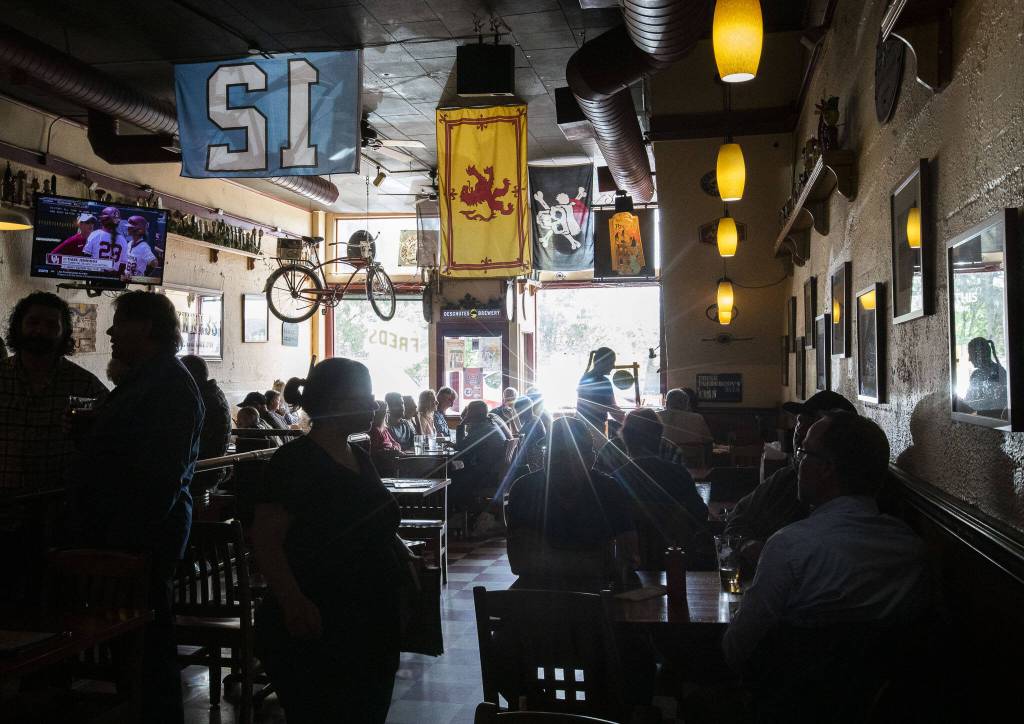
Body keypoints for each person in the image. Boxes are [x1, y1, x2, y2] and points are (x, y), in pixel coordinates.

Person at [70, 290, 203, 724]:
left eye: (119, 321)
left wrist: (126, 538)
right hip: (141, 527)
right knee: (141, 640)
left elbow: (160, 474)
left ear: (146, 327)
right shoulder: (151, 378)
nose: (110, 330)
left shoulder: (165, 384)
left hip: (142, 533)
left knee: (146, 641)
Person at [251, 358, 402, 724]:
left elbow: (373, 521)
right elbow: (266, 540)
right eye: (364, 397)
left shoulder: (359, 455)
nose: (373, 405)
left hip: (367, 619)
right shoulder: (294, 462)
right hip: (320, 618)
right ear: (336, 402)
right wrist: (293, 602)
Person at [721, 411, 931, 673]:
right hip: (881, 706)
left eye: (805, 453)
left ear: (826, 470)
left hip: (786, 703)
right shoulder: (912, 551)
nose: (798, 462)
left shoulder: (789, 548)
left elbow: (735, 648)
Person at [724, 390, 856, 570]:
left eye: (811, 424)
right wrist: (746, 544)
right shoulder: (786, 477)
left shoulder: (850, 502)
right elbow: (738, 516)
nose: (799, 431)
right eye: (799, 421)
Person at [505, 415, 637, 591]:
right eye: (551, 452)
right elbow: (520, 562)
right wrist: (593, 561)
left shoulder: (609, 489)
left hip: (573, 594)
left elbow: (628, 559)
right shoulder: (525, 489)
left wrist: (550, 558)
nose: (558, 461)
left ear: (591, 459)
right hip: (541, 596)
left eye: (567, 454)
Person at [0, 291, 107, 491]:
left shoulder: (85, 385)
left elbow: (110, 443)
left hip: (59, 509)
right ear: (18, 326)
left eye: (51, 325)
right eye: (33, 322)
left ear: (64, 333)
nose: (40, 331)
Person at [615, 409, 708, 523]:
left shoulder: (617, 478)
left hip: (631, 540)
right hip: (675, 539)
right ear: (659, 437)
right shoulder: (679, 474)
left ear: (626, 440)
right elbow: (700, 513)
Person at [180, 355, 231, 492]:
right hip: (214, 467)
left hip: (204, 470)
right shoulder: (212, 393)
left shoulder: (204, 399)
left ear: (190, 375)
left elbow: (193, 442)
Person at [451, 400, 510, 510]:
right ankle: (467, 512)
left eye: (469, 411)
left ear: (472, 413)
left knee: (451, 477)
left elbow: (461, 447)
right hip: (495, 473)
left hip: (487, 476)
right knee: (456, 472)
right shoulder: (490, 424)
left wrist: (462, 423)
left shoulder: (483, 428)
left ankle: (459, 513)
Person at [576, 347, 624, 438]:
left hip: (600, 426)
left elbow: (612, 405)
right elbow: (585, 405)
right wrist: (612, 410)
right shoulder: (586, 379)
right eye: (611, 362)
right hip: (586, 427)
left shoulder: (606, 381)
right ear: (601, 362)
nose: (613, 366)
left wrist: (627, 421)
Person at [963, 336, 1008, 415]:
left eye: (971, 354)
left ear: (980, 354)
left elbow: (998, 405)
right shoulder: (975, 375)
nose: (969, 359)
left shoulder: (999, 373)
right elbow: (968, 401)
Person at [368, 400, 401, 477]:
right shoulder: (375, 430)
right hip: (384, 465)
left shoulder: (385, 429)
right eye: (384, 411)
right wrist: (390, 451)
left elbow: (396, 443)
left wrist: (395, 448)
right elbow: (374, 452)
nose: (386, 413)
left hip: (393, 460)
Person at [122, 214, 159, 279]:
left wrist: (144, 274)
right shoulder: (130, 243)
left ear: (139, 230)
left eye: (131, 227)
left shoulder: (144, 247)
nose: (128, 229)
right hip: (126, 278)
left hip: (136, 280)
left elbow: (155, 263)